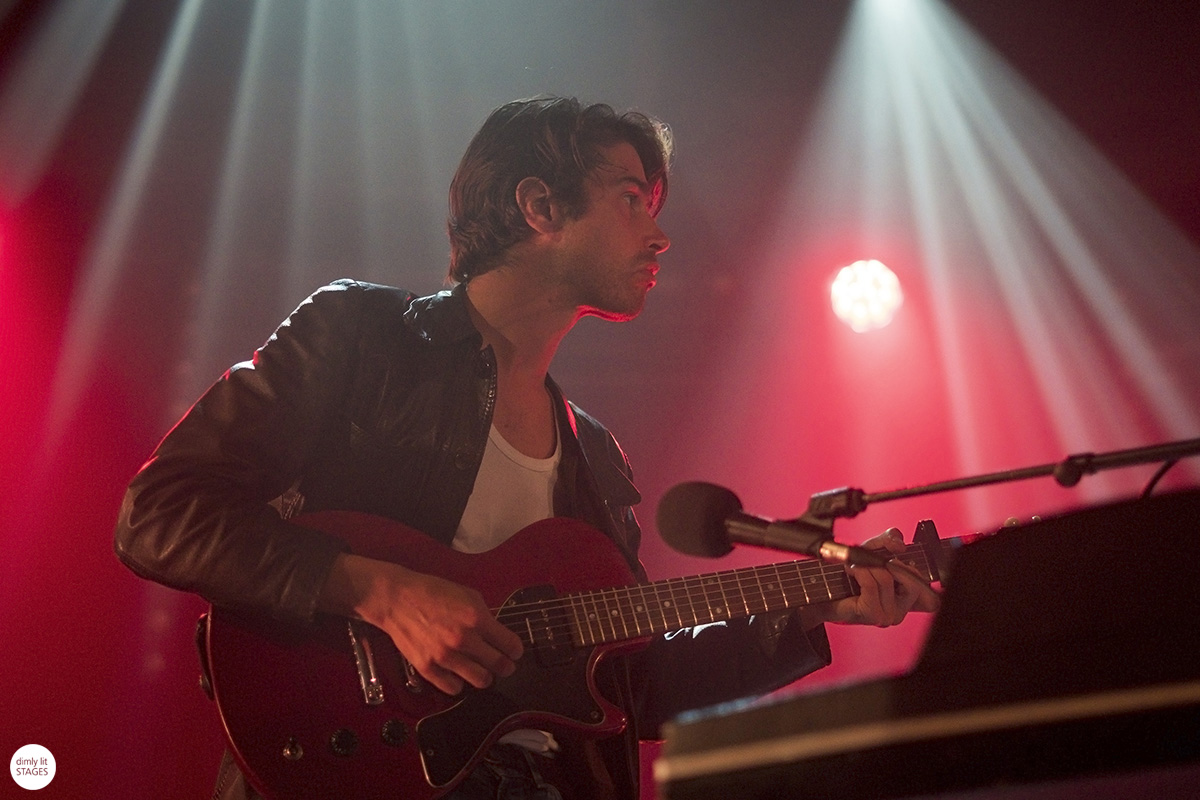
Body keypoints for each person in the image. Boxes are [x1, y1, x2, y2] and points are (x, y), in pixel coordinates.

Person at [113, 96, 938, 800]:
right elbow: (157, 512)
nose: (660, 236)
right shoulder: (360, 334)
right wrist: (379, 591)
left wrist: (805, 610)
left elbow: (634, 686)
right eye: (631, 199)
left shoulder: (595, 457)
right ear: (539, 206)